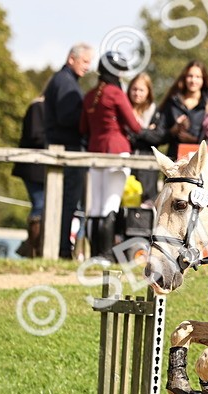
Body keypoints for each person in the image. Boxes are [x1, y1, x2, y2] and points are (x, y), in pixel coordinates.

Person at [80, 51, 141, 261]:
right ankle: (106, 255)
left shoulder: (90, 95)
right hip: (116, 150)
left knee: (95, 205)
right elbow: (134, 125)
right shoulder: (115, 93)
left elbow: (82, 127)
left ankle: (94, 254)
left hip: (94, 150)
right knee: (110, 204)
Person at [43, 43, 93, 258]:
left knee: (65, 202)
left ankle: (62, 247)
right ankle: (63, 249)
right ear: (71, 59)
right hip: (68, 148)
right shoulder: (66, 83)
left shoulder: (65, 81)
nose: (88, 67)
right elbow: (67, 117)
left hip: (64, 146)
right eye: (85, 61)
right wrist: (89, 118)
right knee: (67, 202)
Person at [138, 61, 208, 161]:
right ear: (184, 78)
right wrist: (173, 130)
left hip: (200, 160)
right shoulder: (173, 103)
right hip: (174, 158)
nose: (193, 80)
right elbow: (160, 135)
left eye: (198, 77)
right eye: (190, 76)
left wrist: (194, 140)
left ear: (203, 79)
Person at [13, 95, 46, 257]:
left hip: (42, 169)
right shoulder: (38, 107)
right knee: (39, 207)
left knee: (41, 208)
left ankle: (30, 248)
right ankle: (34, 250)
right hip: (34, 169)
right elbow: (36, 135)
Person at [126, 72, 160, 204]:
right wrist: (147, 131)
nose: (137, 93)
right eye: (134, 89)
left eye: (141, 90)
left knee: (146, 201)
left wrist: (138, 131)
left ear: (148, 92)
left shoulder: (154, 111)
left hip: (147, 166)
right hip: (127, 160)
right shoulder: (124, 109)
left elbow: (158, 137)